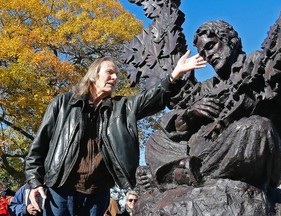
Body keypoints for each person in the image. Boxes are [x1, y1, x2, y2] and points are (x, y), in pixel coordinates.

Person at [25, 51, 207, 215]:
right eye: (109, 72)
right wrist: (34, 182)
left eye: (117, 74)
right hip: (60, 189)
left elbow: (149, 98)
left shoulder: (121, 107)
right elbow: (40, 144)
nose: (114, 77)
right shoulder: (63, 103)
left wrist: (175, 74)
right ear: (94, 75)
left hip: (97, 193)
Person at [141, 20, 281, 192]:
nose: (207, 55)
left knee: (257, 128)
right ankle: (185, 173)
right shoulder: (208, 86)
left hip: (251, 151)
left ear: (230, 41)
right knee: (156, 140)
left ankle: (183, 175)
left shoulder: (255, 63)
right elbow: (177, 125)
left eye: (210, 46)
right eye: (202, 53)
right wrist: (191, 114)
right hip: (210, 151)